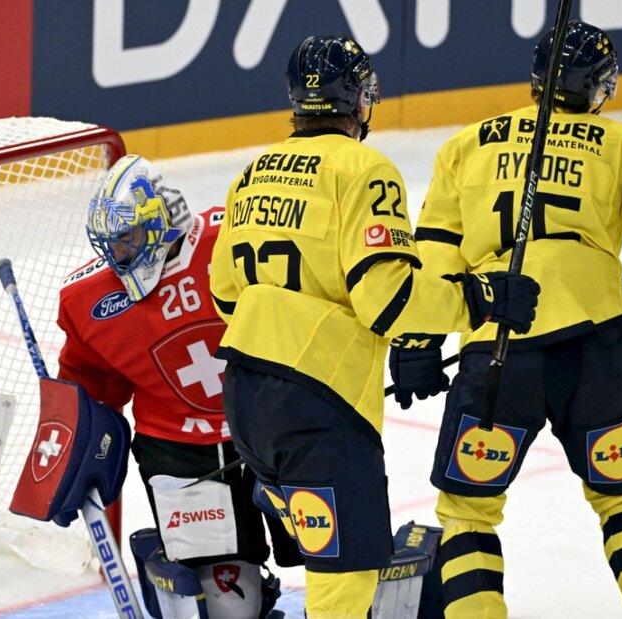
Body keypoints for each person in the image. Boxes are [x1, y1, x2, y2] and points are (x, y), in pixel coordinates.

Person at [389, 20, 622, 619]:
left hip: (498, 349)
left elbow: (437, 253)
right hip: (594, 352)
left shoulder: (467, 145)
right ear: (602, 86)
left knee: (468, 513)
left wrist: (418, 339)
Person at [208, 35, 541, 619]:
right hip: (318, 410)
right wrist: (481, 298)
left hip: (246, 398)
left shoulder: (252, 173)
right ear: (359, 101)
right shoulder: (365, 169)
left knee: (331, 567)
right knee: (347, 586)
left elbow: (224, 295)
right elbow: (389, 300)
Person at [56, 153, 298, 619]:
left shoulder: (234, 239)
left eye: (129, 239)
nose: (119, 255)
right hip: (182, 450)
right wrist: (73, 443)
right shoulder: (88, 300)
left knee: (337, 564)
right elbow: (88, 383)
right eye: (111, 245)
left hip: (279, 429)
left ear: (163, 217)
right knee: (229, 609)